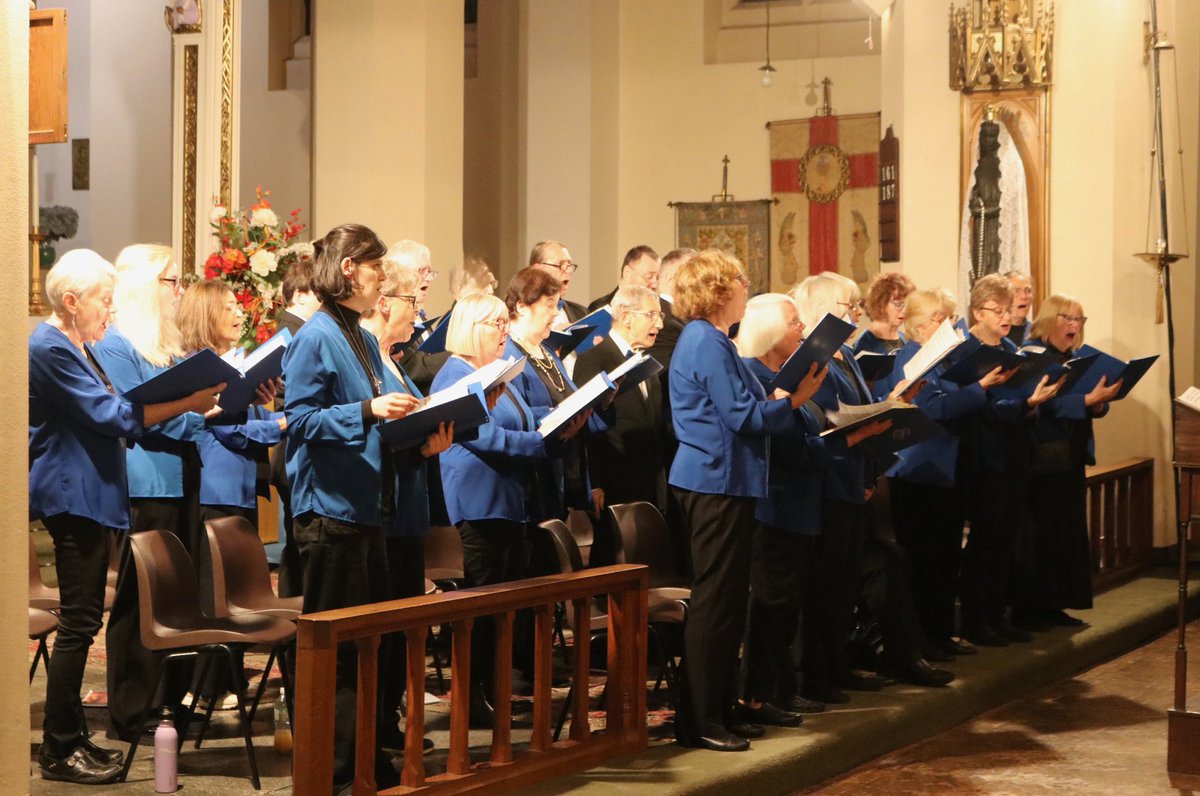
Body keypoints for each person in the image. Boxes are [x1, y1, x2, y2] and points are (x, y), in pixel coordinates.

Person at [30, 250, 221, 785]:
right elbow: (111, 414)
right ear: (71, 302)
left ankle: (71, 737)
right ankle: (59, 747)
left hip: (91, 496)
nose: (108, 313)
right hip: (72, 497)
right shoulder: (49, 347)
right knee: (80, 623)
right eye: (101, 302)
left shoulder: (75, 344)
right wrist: (185, 403)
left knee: (83, 618)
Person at [283, 223, 421, 791]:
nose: (381, 278)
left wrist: (420, 427)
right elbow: (303, 420)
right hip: (329, 510)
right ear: (348, 271)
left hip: (366, 508)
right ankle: (333, 771)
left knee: (369, 642)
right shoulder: (316, 335)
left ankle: (364, 759)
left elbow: (372, 418)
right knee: (337, 650)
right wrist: (368, 411)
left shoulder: (362, 336)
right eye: (374, 268)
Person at [669, 250, 824, 752]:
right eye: (739, 279)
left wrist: (781, 402)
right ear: (718, 289)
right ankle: (701, 720)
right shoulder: (705, 341)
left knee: (731, 602)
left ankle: (723, 708)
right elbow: (745, 418)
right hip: (714, 480)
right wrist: (792, 402)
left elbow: (745, 410)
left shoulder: (715, 340)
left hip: (728, 479)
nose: (746, 285)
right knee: (715, 603)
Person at [430, 294, 584, 725]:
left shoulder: (494, 371)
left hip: (509, 503)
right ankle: (474, 702)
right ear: (472, 327)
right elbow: (486, 437)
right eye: (496, 324)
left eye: (504, 323)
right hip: (480, 506)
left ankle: (495, 691)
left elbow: (521, 415)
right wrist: (546, 442)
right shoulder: (454, 376)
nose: (504, 332)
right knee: (483, 609)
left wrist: (559, 413)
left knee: (505, 607)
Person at [735, 294, 885, 724]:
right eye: (795, 321)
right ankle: (760, 695)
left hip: (800, 505)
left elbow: (808, 434)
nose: (803, 328)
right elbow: (784, 448)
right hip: (775, 504)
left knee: (785, 607)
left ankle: (779, 690)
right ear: (769, 332)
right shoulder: (755, 376)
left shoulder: (790, 377)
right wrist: (849, 441)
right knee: (770, 607)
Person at [91, 243, 213, 740]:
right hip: (148, 483)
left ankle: (169, 702)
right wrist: (194, 411)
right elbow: (135, 419)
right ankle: (132, 709)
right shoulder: (116, 344)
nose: (180, 291)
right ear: (144, 286)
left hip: (182, 475)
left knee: (177, 595)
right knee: (140, 597)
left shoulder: (166, 345)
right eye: (171, 281)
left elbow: (183, 410)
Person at [358, 254, 453, 751]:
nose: (418, 312)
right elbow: (371, 428)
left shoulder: (393, 361)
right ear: (384, 302)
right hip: (386, 511)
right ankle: (374, 728)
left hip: (409, 506)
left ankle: (386, 725)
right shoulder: (369, 358)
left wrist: (431, 438)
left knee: (402, 624)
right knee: (386, 626)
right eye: (412, 301)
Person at [885, 288, 1009, 653]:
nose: (951, 326)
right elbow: (932, 410)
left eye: (951, 320)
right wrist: (980, 389)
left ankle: (940, 634)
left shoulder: (939, 358)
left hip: (946, 470)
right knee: (924, 561)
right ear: (923, 325)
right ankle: (923, 640)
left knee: (944, 558)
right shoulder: (911, 357)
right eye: (944, 320)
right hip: (921, 471)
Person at [959, 275, 1062, 644]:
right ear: (977, 311)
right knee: (985, 540)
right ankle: (974, 620)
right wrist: (1026, 403)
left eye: (1009, 310)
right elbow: (984, 408)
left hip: (1016, 451)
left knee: (1006, 538)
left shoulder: (1010, 348)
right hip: (985, 456)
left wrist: (1032, 403)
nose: (1006, 317)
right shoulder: (967, 351)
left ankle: (996, 614)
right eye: (997, 310)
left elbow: (1012, 403)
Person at [1014, 296, 1121, 629]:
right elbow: (1042, 404)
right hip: (1040, 459)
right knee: (1041, 535)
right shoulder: (1031, 355)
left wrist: (1099, 403)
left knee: (1065, 533)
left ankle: (1055, 604)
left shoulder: (1073, 358)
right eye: (1068, 318)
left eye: (1080, 319)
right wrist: (1086, 400)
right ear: (1048, 319)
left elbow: (1083, 402)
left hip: (1068, 456)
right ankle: (1030, 609)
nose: (1075, 325)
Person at [504, 267, 600, 521]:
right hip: (533, 480)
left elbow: (569, 395)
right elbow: (513, 414)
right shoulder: (507, 353)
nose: (556, 314)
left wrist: (599, 400)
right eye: (549, 306)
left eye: (557, 305)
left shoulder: (546, 350)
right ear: (522, 307)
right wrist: (555, 420)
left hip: (562, 470)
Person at [575, 285, 667, 511]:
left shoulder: (645, 359)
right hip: (614, 483)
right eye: (651, 315)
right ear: (626, 317)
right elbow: (584, 425)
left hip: (650, 483)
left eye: (660, 315)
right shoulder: (594, 359)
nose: (660, 324)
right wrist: (594, 483)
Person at [271, 257, 319, 597]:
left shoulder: (299, 330)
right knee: (298, 550)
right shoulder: (295, 333)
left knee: (295, 548)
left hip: (291, 445)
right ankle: (294, 631)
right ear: (300, 295)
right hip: (292, 446)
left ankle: (293, 632)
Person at [854, 271, 915, 355]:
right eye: (898, 304)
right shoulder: (864, 346)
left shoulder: (906, 341)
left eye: (907, 305)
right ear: (881, 303)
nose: (904, 310)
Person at [529, 240, 587, 326]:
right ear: (537, 269)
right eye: (560, 264)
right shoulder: (520, 312)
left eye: (569, 265)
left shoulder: (582, 313)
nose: (568, 270)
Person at [587, 244, 662, 312]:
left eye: (658, 278)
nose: (655, 285)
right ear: (627, 273)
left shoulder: (662, 310)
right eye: (649, 277)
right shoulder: (600, 309)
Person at [1003, 270, 1035, 346]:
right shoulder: (994, 333)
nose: (1024, 296)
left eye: (1028, 291)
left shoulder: (1037, 333)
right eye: (1016, 291)